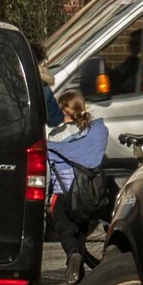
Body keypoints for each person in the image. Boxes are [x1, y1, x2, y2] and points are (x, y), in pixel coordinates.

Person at [46, 88, 113, 270]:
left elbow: (50, 169)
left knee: (64, 229)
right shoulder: (95, 132)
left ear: (63, 111)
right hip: (86, 192)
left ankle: (72, 254)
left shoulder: (55, 136)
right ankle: (79, 269)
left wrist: (46, 198)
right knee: (82, 229)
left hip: (63, 193)